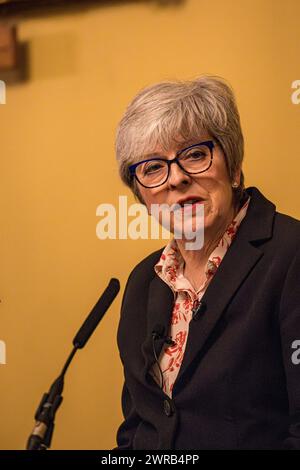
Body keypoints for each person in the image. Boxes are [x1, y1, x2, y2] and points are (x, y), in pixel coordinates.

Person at [114, 76, 300, 450]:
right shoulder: (143, 281)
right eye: (153, 167)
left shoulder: (291, 256)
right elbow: (138, 427)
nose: (178, 178)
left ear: (233, 166)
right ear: (142, 196)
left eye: (195, 154)